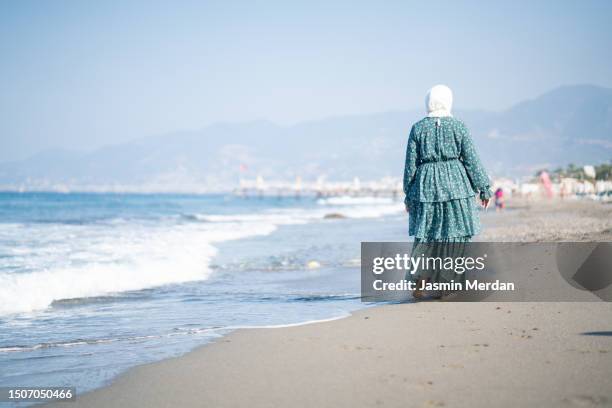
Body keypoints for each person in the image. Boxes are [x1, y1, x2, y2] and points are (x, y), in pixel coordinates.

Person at [403, 85, 491, 299]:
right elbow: (471, 160)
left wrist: (408, 193)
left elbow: (410, 165)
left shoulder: (417, 129)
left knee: (426, 235)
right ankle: (446, 282)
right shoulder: (458, 127)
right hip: (456, 184)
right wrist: (484, 188)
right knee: (454, 235)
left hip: (425, 186)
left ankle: (420, 278)